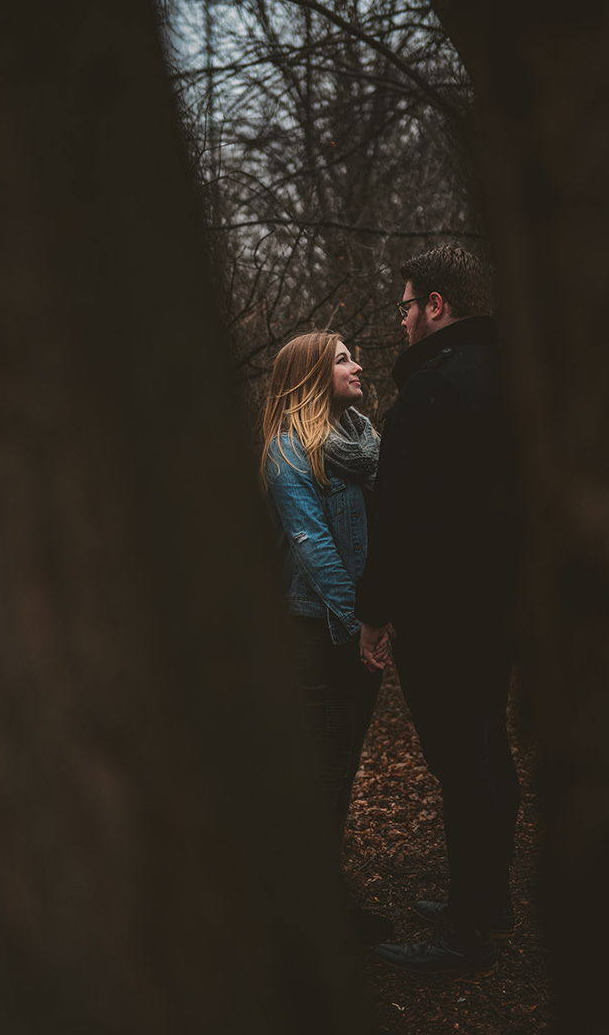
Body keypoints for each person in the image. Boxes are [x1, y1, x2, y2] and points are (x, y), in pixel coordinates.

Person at [355, 246, 522, 977]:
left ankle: (468, 933)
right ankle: (486, 902)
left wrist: (375, 609)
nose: (400, 321)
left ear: (437, 306)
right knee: (487, 749)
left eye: (404, 304)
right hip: (502, 605)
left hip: (445, 610)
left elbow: (400, 515)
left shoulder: (433, 389)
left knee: (463, 765)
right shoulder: (517, 378)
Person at [261, 330, 388, 940]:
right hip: (318, 633)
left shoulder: (365, 443)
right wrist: (362, 624)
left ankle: (321, 904)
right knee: (322, 773)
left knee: (339, 770)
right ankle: (302, 915)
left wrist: (382, 617)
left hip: (363, 629)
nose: (357, 365)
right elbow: (315, 551)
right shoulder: (288, 451)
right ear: (312, 375)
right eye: (342, 359)